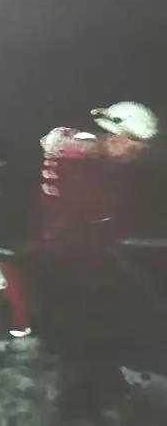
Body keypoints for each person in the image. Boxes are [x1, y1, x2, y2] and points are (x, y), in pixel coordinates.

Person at [18, 101, 167, 414]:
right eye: (134, 145)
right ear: (115, 135)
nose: (136, 153)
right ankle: (75, 397)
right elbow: (65, 211)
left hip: (70, 252)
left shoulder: (84, 155)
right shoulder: (80, 166)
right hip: (58, 258)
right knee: (82, 325)